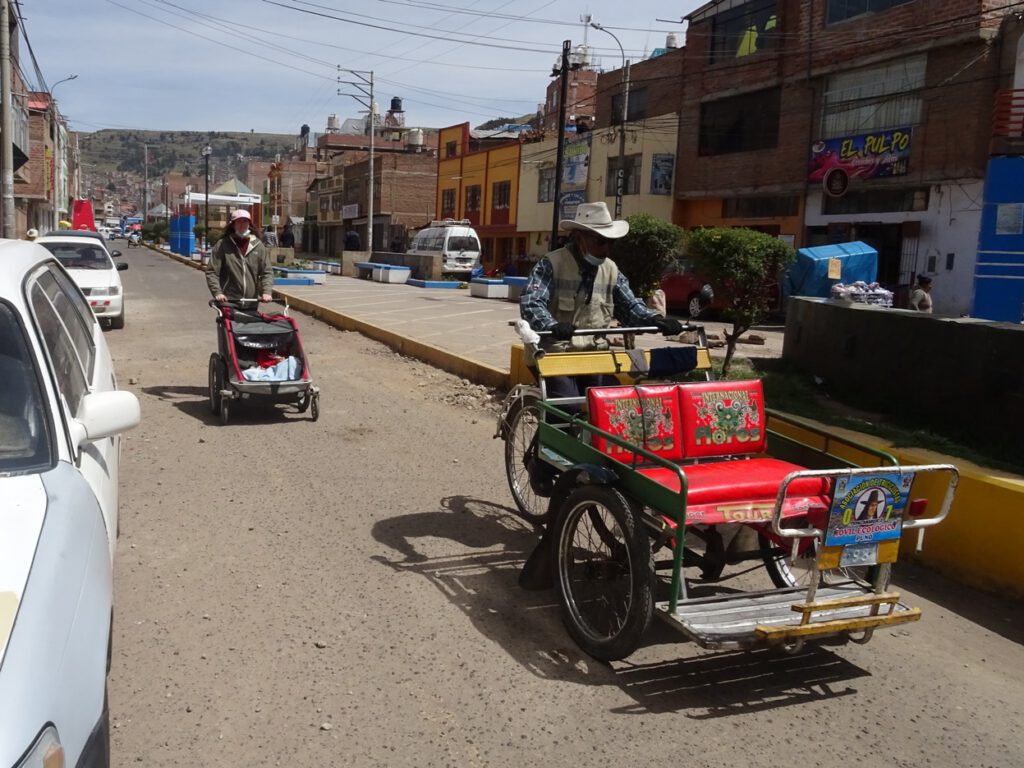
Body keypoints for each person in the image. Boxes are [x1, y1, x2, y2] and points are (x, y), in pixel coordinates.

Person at [520, 201, 683, 400]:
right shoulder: (551, 264)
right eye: (600, 241)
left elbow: (630, 307)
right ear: (579, 238)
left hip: (594, 355)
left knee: (611, 403)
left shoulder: (611, 270)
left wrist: (656, 320)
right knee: (565, 406)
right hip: (553, 353)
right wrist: (552, 325)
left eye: (610, 242)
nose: (606, 248)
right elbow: (532, 302)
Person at [205, 209, 273, 304]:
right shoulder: (223, 244)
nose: (242, 224)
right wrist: (217, 292)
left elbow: (267, 272)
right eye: (238, 221)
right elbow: (212, 271)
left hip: (251, 302)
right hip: (228, 301)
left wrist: (266, 292)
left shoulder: (258, 246)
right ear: (233, 225)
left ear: (249, 224)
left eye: (245, 221)